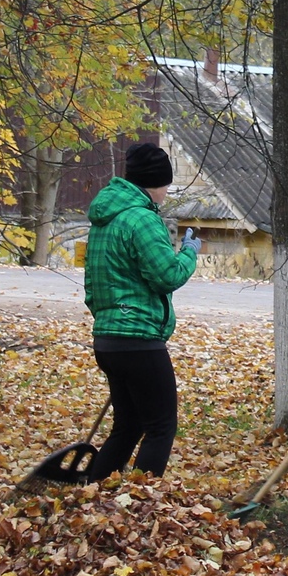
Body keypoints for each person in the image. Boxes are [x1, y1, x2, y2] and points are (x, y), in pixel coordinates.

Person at [77, 141, 199, 481]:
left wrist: (110, 318)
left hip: (107, 339)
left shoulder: (104, 219)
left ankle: (94, 492)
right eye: (165, 185)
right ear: (153, 182)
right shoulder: (141, 219)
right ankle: (140, 505)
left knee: (127, 427)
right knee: (161, 426)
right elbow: (167, 275)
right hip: (138, 341)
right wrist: (189, 252)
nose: (165, 193)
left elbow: (95, 284)